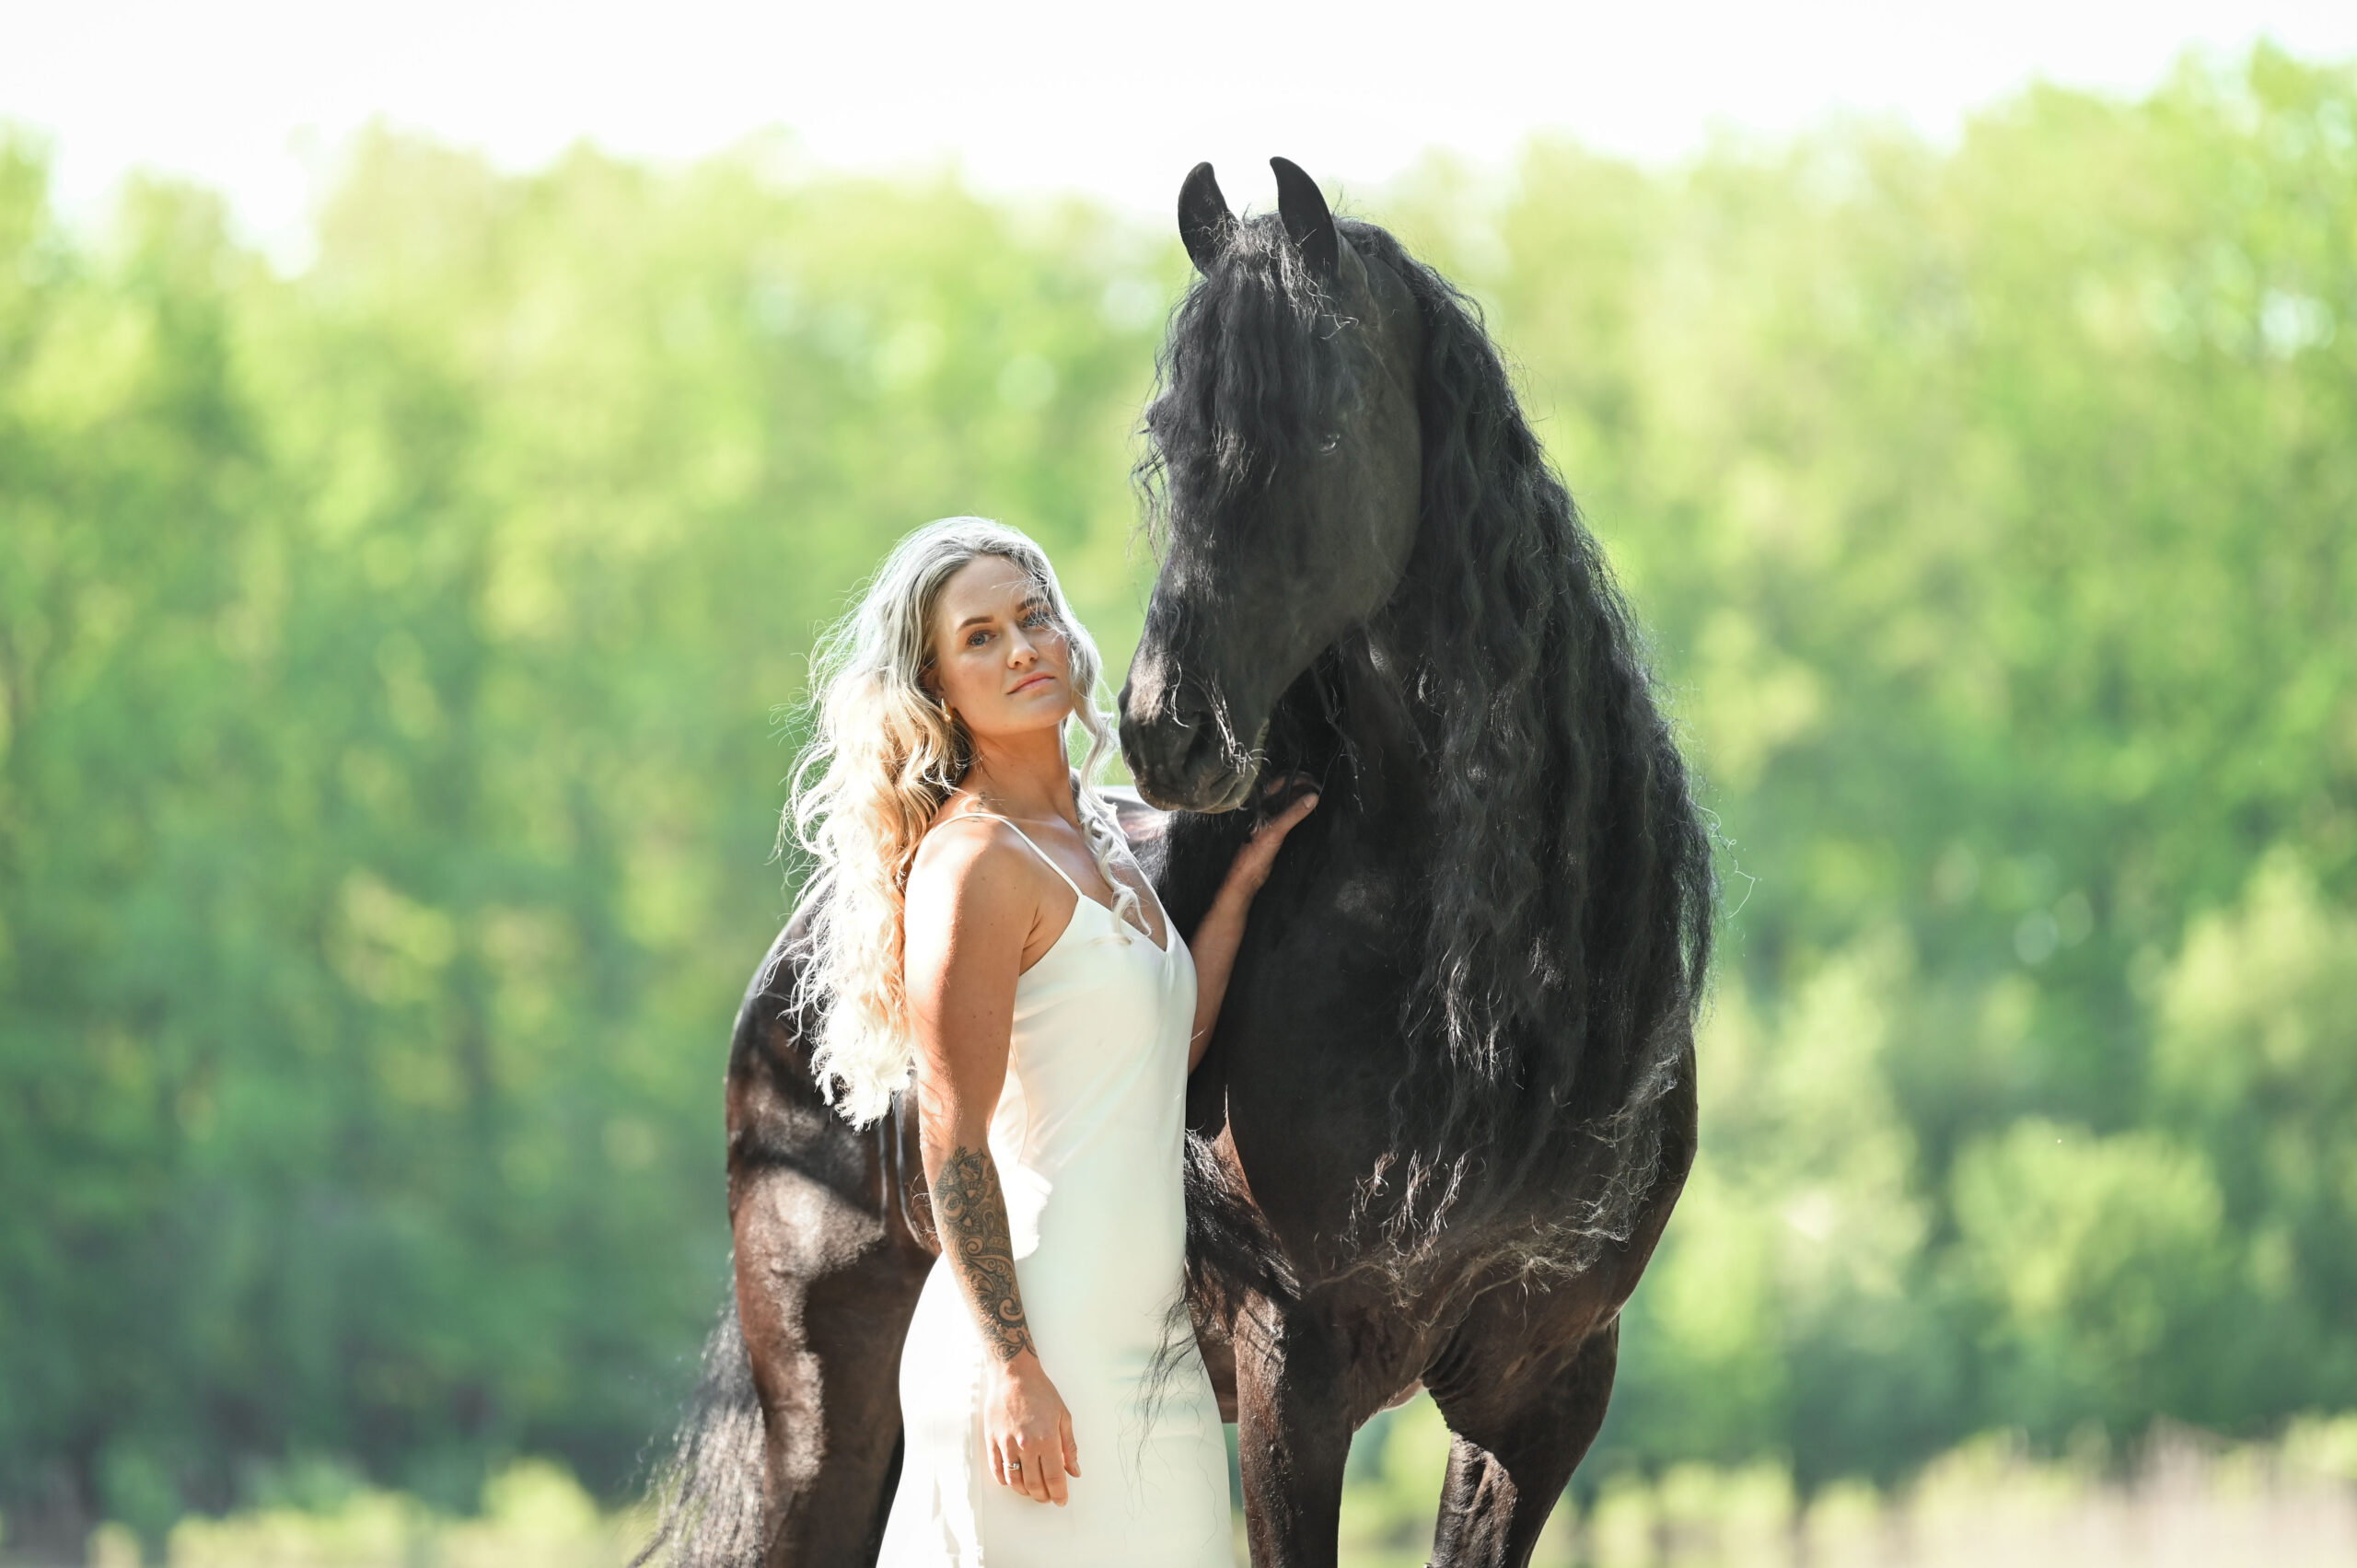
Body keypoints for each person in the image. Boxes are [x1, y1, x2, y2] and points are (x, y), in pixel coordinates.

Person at [784, 517, 1313, 1566]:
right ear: (936, 685)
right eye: (979, 637)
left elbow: (1153, 1057)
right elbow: (954, 1141)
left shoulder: (1101, 835)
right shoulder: (973, 864)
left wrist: (1238, 893)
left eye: (1034, 618)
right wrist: (1013, 1367)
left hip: (1155, 1356)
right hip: (1030, 1353)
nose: (1022, 648)